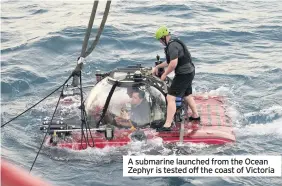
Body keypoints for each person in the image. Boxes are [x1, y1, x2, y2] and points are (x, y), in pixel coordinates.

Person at [153, 25, 200, 131]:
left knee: (170, 98)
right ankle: (196, 116)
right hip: (190, 71)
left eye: (160, 40)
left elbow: (173, 63)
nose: (160, 42)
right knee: (187, 95)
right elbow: (169, 61)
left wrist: (165, 74)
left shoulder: (172, 46)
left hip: (183, 74)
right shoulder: (175, 42)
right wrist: (157, 66)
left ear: (163, 37)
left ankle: (167, 125)